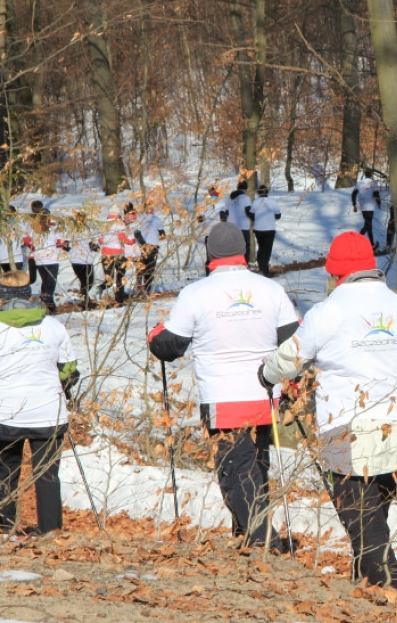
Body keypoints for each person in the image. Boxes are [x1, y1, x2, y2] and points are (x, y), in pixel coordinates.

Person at [260, 231, 397, 587]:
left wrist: (266, 372)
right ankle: (369, 571)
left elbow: (291, 357)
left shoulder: (329, 311)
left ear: (335, 274)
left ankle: (384, 578)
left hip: (348, 421)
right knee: (377, 497)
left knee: (355, 503)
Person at [148, 221, 299, 550]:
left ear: (209, 253)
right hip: (266, 394)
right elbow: (294, 339)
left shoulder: (196, 294)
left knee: (235, 471)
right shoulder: (270, 289)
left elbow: (169, 347)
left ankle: (262, 541)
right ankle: (247, 536)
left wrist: (155, 335)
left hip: (223, 397)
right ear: (244, 252)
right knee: (256, 466)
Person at [0, 270, 79, 534]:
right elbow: (70, 372)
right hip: (49, 415)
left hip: (5, 414)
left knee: (6, 471)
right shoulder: (53, 327)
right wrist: (63, 392)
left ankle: (5, 529)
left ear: (1, 296)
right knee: (48, 475)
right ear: (29, 294)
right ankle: (50, 533)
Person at [26, 207, 63, 314]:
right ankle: (43, 304)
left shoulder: (33, 229)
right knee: (50, 285)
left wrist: (35, 250)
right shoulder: (54, 229)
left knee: (46, 283)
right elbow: (60, 243)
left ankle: (52, 307)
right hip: (51, 260)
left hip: (39, 260)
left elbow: (28, 241)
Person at [98, 204, 136, 305]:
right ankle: (119, 300)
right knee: (120, 278)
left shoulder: (104, 224)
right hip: (119, 255)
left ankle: (98, 293)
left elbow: (100, 240)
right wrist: (132, 242)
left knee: (108, 279)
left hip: (106, 255)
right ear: (118, 214)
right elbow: (122, 239)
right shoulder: (120, 224)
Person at [64, 211, 100, 309]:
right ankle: (85, 302)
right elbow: (65, 244)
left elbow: (66, 245)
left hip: (81, 260)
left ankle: (85, 301)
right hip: (81, 260)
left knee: (87, 282)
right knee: (87, 282)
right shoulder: (78, 231)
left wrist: (95, 247)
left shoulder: (80, 230)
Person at [247, 185, 281, 277]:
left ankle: (262, 268)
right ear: (267, 192)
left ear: (258, 192)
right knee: (267, 249)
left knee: (261, 248)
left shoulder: (255, 202)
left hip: (258, 229)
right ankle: (264, 270)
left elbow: (251, 215)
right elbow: (278, 216)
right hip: (269, 229)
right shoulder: (272, 202)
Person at [133, 204, 166, 296]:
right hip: (153, 246)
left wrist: (143, 243)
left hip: (141, 246)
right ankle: (146, 289)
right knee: (150, 269)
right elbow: (162, 234)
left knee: (140, 267)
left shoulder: (139, 218)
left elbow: (136, 232)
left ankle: (139, 288)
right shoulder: (156, 219)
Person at [352, 169, 382, 249]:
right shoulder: (373, 183)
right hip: (370, 206)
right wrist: (379, 203)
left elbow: (353, 194)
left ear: (365, 174)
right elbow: (376, 194)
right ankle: (357, 240)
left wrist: (354, 204)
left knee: (368, 224)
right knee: (368, 224)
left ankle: (371, 244)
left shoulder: (359, 183)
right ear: (371, 175)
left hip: (362, 206)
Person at [0, 206, 27, 273]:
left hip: (6, 257)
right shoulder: (18, 225)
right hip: (13, 257)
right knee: (15, 280)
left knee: (9, 279)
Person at [226, 180, 253, 253]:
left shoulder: (229, 198)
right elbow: (248, 212)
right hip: (243, 228)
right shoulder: (245, 198)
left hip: (232, 227)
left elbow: (226, 212)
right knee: (245, 248)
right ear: (246, 189)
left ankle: (234, 263)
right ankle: (244, 264)